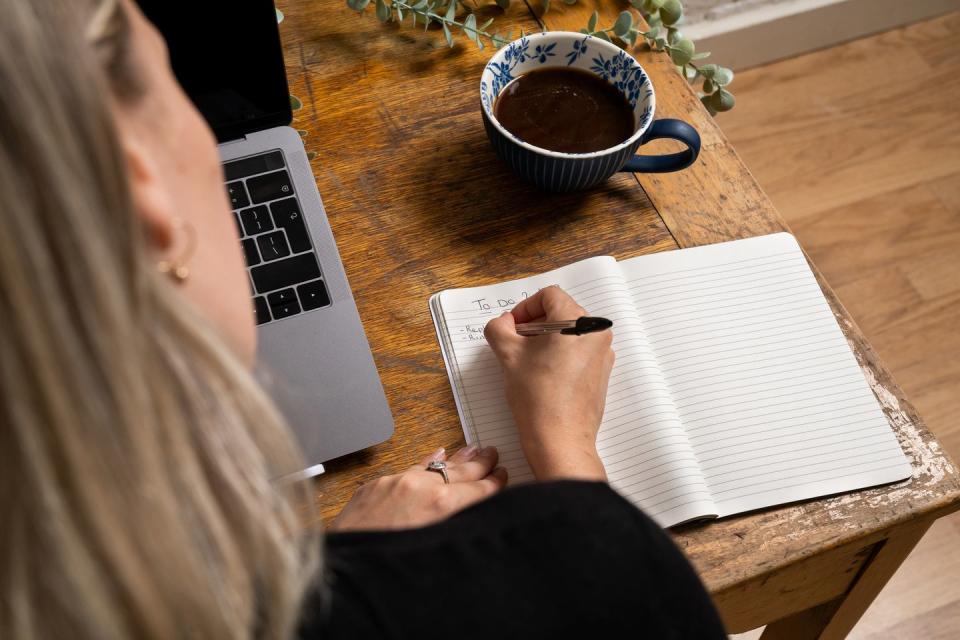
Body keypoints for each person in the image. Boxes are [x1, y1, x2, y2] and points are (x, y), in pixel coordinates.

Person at [0, 1, 726, 638]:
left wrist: (331, 566)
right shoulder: (581, 570)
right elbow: (604, 592)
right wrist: (563, 441)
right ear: (144, 201)